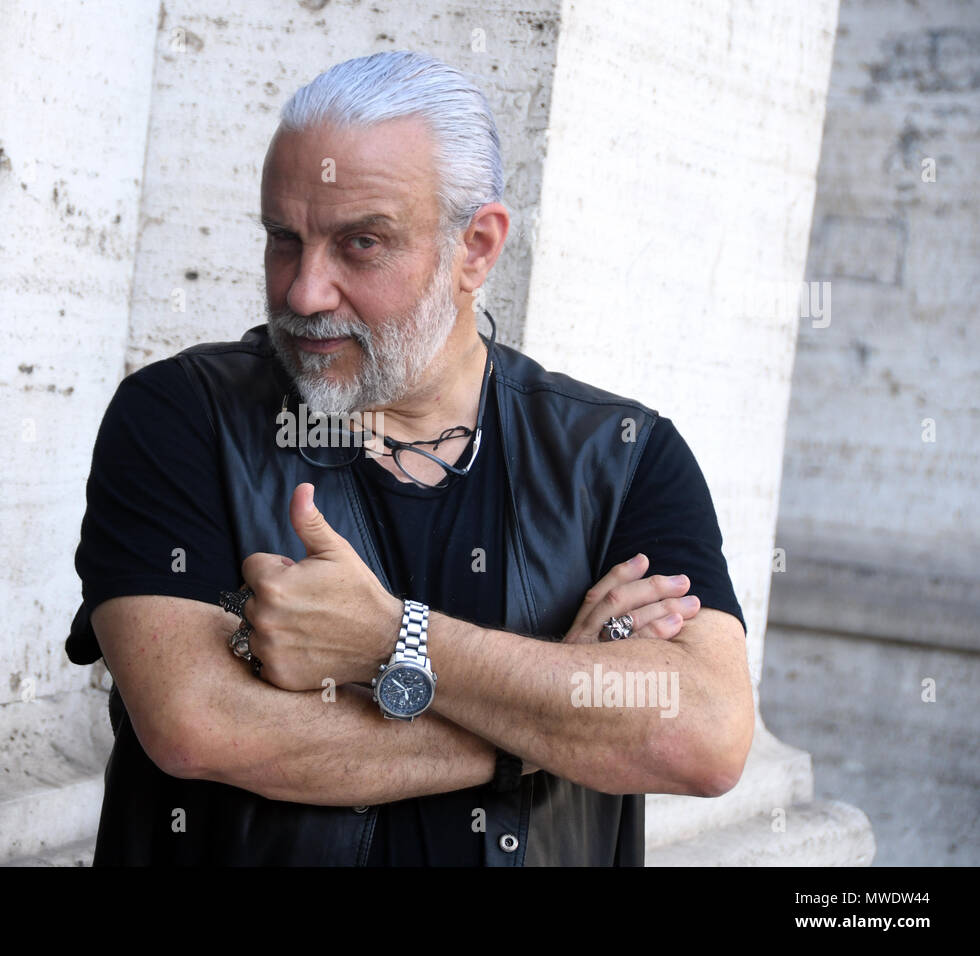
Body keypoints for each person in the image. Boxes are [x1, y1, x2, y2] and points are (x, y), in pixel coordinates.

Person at [66, 50, 753, 866]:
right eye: (285, 240)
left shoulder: (623, 456)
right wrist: (544, 725)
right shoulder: (181, 418)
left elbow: (704, 738)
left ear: (477, 248)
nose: (303, 292)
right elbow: (198, 727)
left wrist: (394, 639)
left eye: (361, 244)